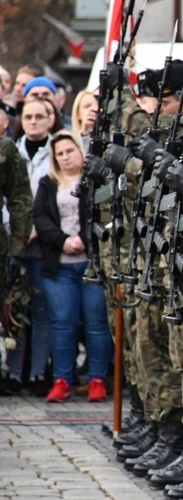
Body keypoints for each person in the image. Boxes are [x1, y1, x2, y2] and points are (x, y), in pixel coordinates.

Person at [32, 130, 112, 403]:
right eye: (60, 154)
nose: (65, 157)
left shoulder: (96, 182)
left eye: (70, 151)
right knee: (62, 323)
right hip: (60, 265)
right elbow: (41, 218)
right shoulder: (48, 183)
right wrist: (64, 241)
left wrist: (85, 241)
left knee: (96, 324)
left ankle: (98, 379)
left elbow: (105, 216)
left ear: (81, 151)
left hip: (91, 265)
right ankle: (62, 379)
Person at [3, 98, 53, 397]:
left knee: (15, 314)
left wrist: (16, 247)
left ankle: (17, 372)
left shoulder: (5, 149)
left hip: (5, 246)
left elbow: (20, 201)